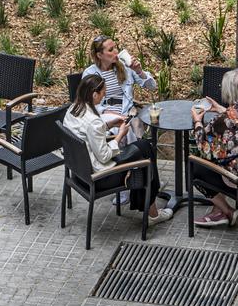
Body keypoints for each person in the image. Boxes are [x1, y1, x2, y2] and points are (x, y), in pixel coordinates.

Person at [64, 74, 172, 224]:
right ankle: (153, 214)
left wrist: (109, 124)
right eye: (103, 93)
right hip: (99, 178)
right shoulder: (93, 121)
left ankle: (149, 208)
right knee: (145, 156)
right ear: (94, 94)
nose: (104, 96)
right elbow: (104, 156)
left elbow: (88, 134)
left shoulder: (72, 110)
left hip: (78, 173)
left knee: (143, 150)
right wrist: (120, 135)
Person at [190, 68, 238, 227]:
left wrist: (197, 121)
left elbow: (201, 144)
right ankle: (217, 212)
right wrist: (222, 109)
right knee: (221, 156)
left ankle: (227, 210)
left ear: (227, 91)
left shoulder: (223, 120)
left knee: (194, 166)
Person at [82, 35, 156, 128]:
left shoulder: (125, 66)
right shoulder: (90, 73)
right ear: (99, 55)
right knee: (119, 129)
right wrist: (115, 116)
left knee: (131, 125)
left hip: (126, 111)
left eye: (115, 47)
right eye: (110, 50)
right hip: (103, 114)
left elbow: (152, 86)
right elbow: (88, 103)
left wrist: (139, 71)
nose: (116, 51)